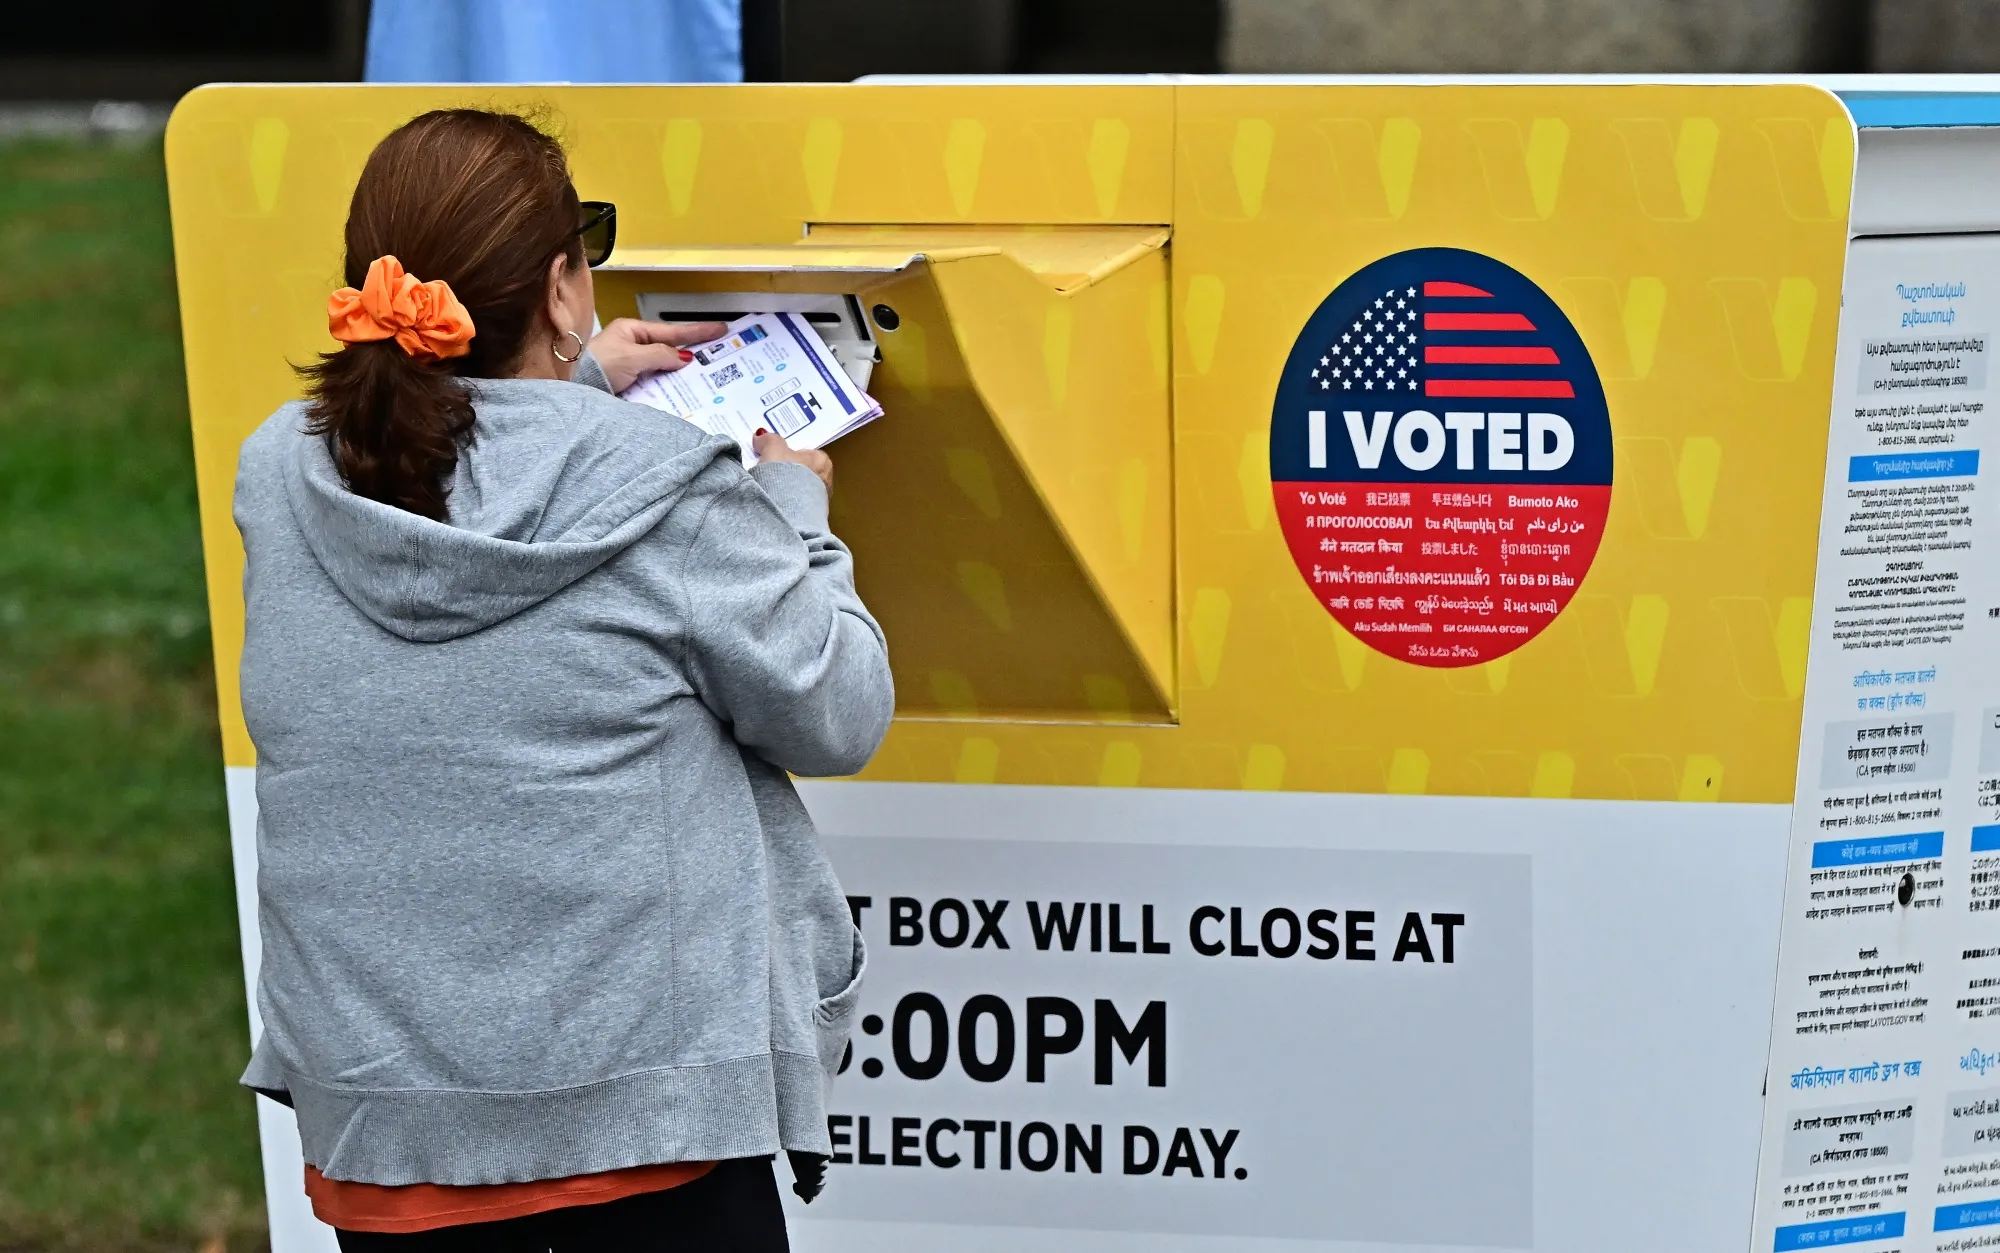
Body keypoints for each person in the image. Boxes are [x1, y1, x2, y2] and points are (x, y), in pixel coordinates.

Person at [231, 107, 893, 1250]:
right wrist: (794, 511)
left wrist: (570, 382)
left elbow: (462, 469)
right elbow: (839, 708)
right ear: (560, 285)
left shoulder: (278, 473)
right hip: (641, 1130)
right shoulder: (667, 486)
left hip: (387, 1141)